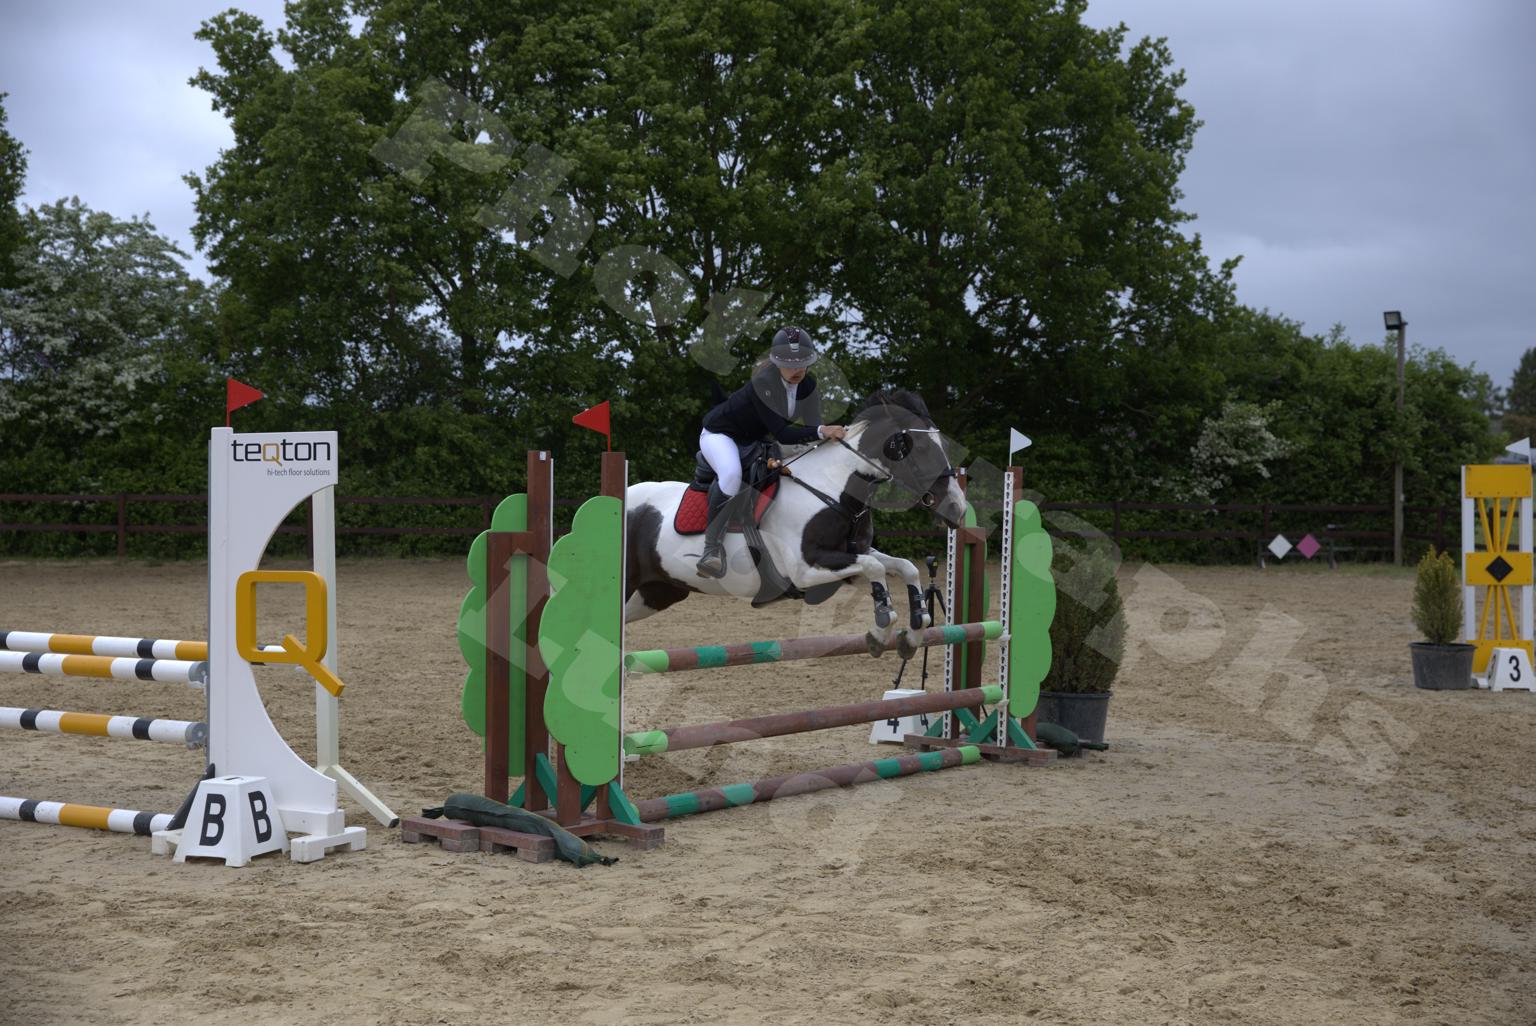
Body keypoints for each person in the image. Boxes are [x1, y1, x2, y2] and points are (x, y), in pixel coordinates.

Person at [695, 326, 846, 578]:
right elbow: (784, 433)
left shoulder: (808, 385)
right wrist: (823, 431)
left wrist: (836, 438)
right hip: (720, 435)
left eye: (803, 363)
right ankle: (711, 550)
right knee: (731, 475)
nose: (797, 370)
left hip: (754, 439)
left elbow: (812, 429)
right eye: (790, 364)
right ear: (777, 363)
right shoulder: (763, 383)